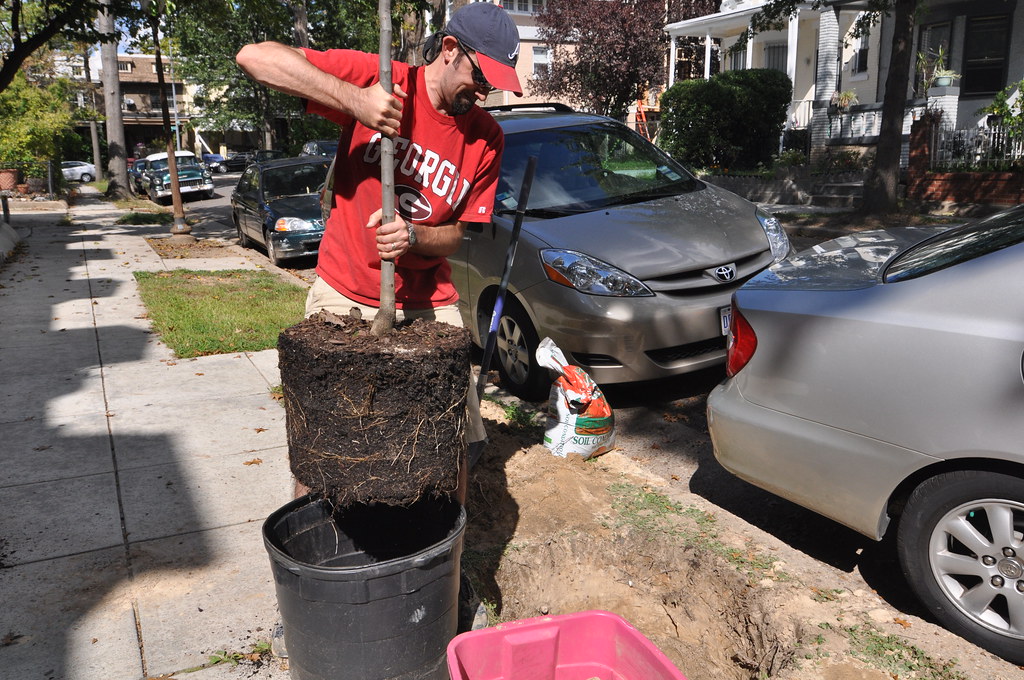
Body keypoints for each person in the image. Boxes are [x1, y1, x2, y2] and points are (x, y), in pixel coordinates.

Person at [236, 2, 522, 500]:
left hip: (429, 303)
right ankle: (318, 554)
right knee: (325, 441)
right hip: (343, 292)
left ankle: (440, 556)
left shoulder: (486, 138)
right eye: (482, 77)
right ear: (451, 50)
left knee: (450, 442)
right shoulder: (381, 78)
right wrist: (356, 101)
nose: (485, 92)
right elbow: (254, 57)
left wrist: (414, 236)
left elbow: (458, 234)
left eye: (494, 83)